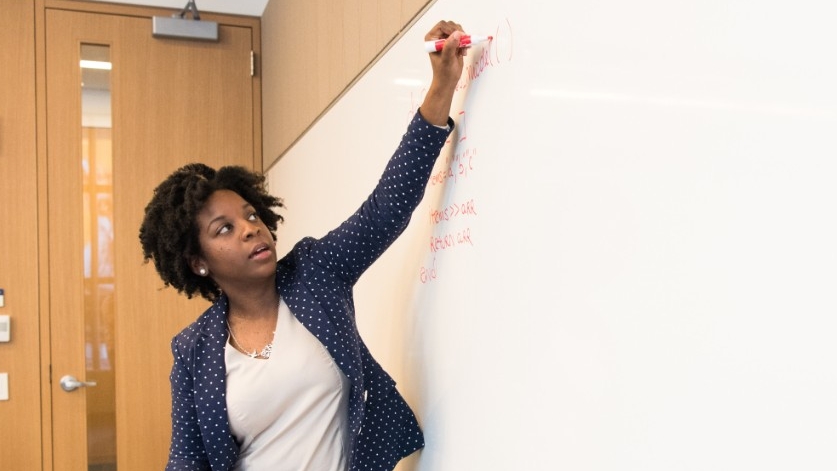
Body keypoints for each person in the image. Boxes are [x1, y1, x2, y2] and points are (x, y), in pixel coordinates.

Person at [138, 20, 468, 471]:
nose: (250, 229)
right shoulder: (194, 351)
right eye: (224, 229)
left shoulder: (316, 272)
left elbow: (386, 209)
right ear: (197, 262)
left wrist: (441, 85)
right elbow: (186, 463)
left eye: (251, 216)